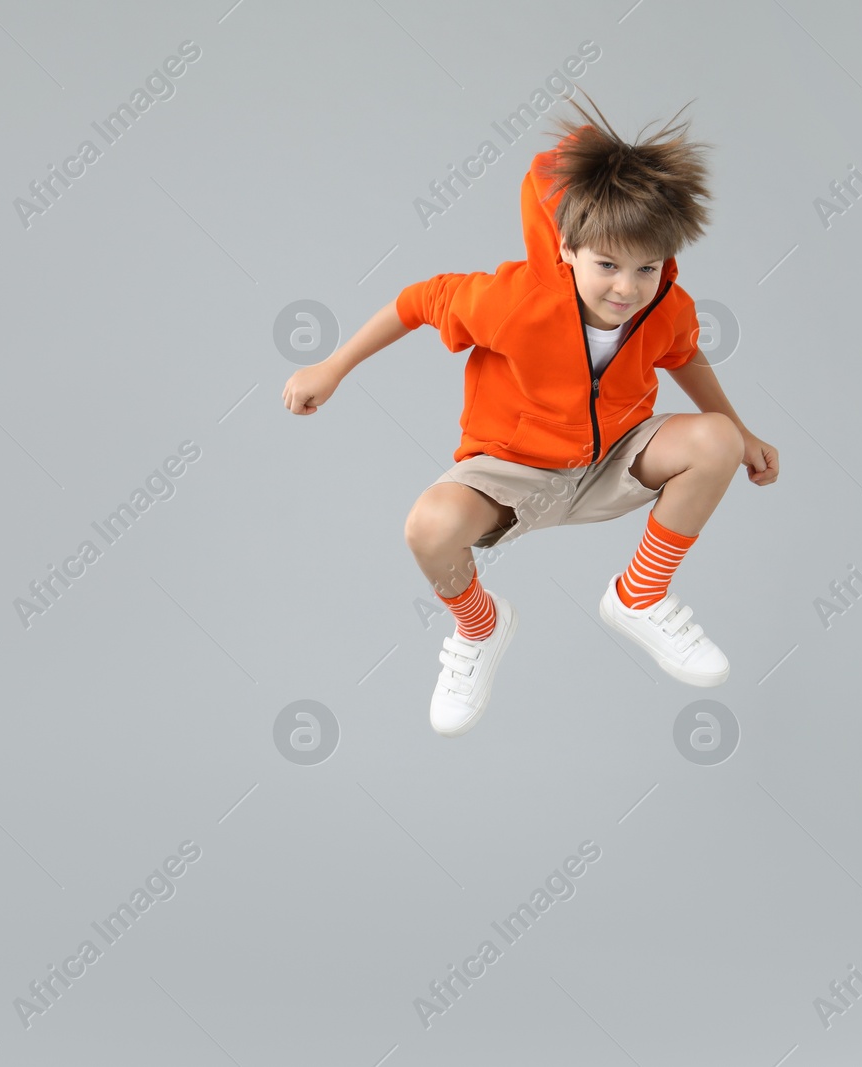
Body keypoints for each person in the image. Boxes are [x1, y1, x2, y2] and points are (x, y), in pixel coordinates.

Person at [281, 92, 779, 738]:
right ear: (568, 249)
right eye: (606, 265)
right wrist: (333, 367)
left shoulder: (668, 307)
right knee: (429, 526)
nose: (626, 288)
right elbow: (416, 301)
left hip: (614, 458)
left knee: (715, 440)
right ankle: (481, 628)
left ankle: (639, 595)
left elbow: (685, 357)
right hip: (512, 470)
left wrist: (739, 431)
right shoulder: (513, 302)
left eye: (645, 268)